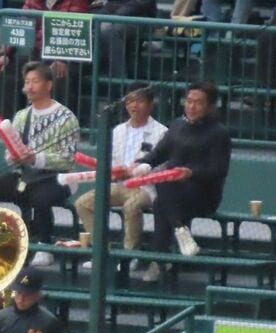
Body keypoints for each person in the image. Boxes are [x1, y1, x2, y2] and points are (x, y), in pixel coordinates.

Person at [0, 62, 78, 267]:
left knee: (40, 197)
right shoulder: (22, 115)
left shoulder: (66, 117)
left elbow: (68, 158)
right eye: (27, 82)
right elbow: (9, 149)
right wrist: (13, 157)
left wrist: (35, 158)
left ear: (48, 85)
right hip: (26, 175)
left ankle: (44, 245)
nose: (29, 87)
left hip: (57, 177)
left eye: (35, 81)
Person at [133, 81, 232, 283]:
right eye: (189, 101)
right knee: (161, 199)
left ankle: (159, 260)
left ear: (210, 107)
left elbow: (218, 170)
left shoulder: (219, 133)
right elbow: (159, 153)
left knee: (163, 192)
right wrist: (142, 164)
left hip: (202, 193)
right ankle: (179, 234)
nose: (192, 107)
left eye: (198, 103)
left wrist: (191, 173)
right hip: (174, 192)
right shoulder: (178, 125)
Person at [74, 83, 168, 267]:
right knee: (83, 203)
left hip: (145, 187)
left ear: (150, 105)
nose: (134, 105)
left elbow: (161, 166)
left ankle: (129, 255)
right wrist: (117, 172)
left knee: (132, 206)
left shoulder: (161, 132)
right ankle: (100, 251)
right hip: (118, 184)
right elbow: (110, 161)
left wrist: (135, 171)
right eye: (130, 101)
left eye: (139, 101)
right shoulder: (118, 131)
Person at [0, 0, 89, 118]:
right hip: (37, 54)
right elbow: (20, 27)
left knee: (59, 74)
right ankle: (10, 123)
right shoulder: (32, 1)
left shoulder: (77, 2)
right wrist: (5, 54)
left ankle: (55, 125)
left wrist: (62, 59)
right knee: (4, 69)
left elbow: (76, 34)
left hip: (68, 58)